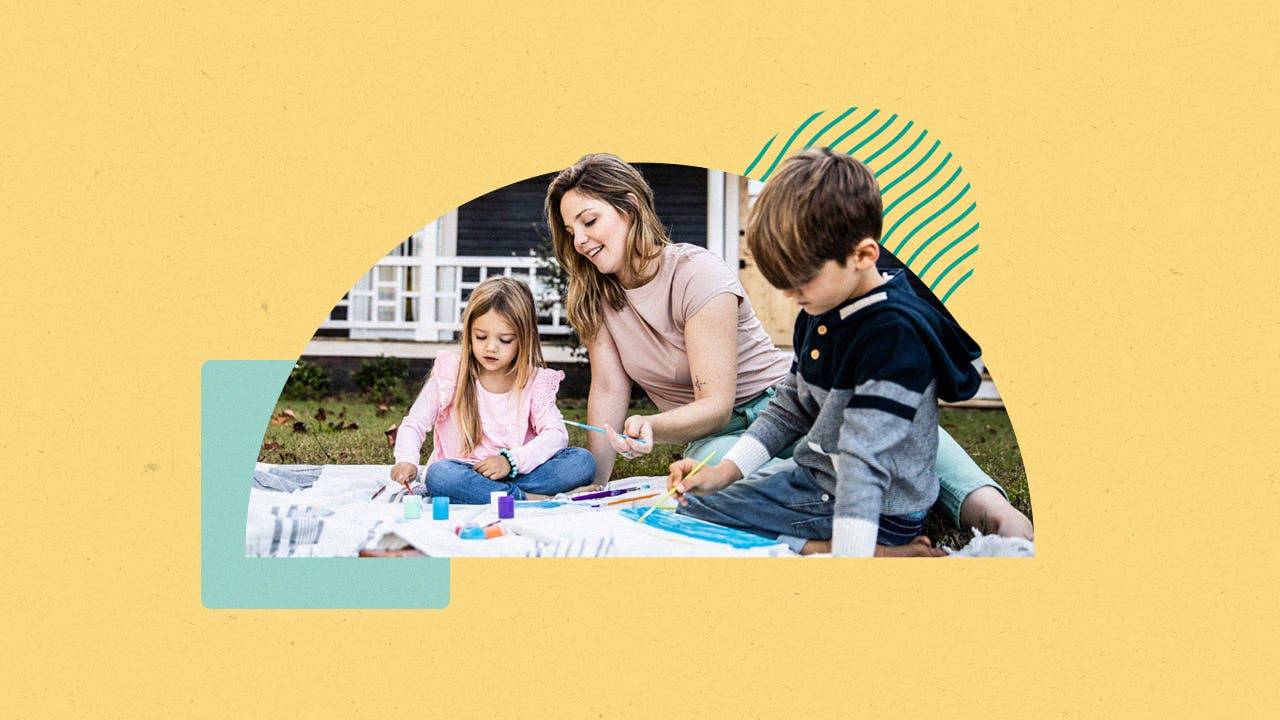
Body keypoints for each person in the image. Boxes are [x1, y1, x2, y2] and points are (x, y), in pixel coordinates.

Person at [546, 152, 1032, 554]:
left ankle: (1000, 521)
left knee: (903, 442)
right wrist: (598, 484)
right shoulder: (596, 296)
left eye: (589, 221)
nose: (580, 240)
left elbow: (720, 402)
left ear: (630, 207)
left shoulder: (696, 273)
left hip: (775, 398)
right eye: (570, 231)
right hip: (723, 434)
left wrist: (651, 427)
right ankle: (849, 537)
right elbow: (610, 389)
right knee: (715, 490)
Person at [669, 148, 993, 556]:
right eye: (783, 281)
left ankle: (867, 552)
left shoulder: (893, 336)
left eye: (801, 280)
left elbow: (865, 460)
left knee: (699, 513)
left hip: (876, 507)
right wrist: (724, 473)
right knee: (692, 502)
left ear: (862, 255)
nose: (790, 295)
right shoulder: (821, 309)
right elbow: (791, 407)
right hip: (822, 482)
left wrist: (849, 561)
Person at [389, 276, 596, 503]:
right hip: (464, 473)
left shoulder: (534, 382)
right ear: (469, 332)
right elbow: (414, 423)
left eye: (505, 340)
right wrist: (406, 459)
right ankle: (529, 498)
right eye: (481, 337)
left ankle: (494, 494)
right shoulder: (451, 374)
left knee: (582, 462)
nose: (490, 347)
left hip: (517, 472)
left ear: (523, 340)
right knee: (440, 476)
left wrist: (510, 462)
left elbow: (555, 435)